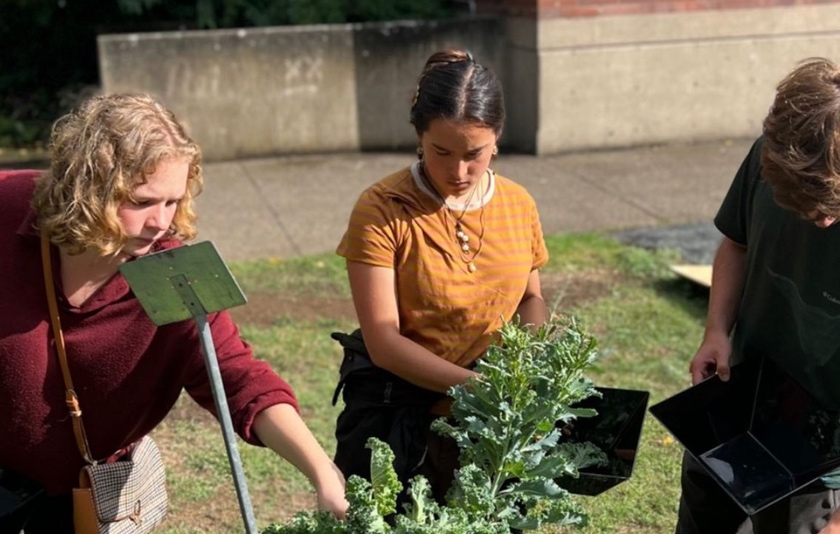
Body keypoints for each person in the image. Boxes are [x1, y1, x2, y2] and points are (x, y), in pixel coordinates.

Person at [0, 93, 348, 533]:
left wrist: (321, 472)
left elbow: (238, 378)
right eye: (142, 202)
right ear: (87, 187)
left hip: (94, 503)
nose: (161, 222)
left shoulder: (172, 273)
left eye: (172, 201)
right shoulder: (9, 209)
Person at [332, 49, 549, 503]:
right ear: (419, 138)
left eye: (475, 154)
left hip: (491, 426)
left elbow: (531, 299)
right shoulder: (382, 209)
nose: (458, 171)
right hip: (399, 420)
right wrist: (481, 389)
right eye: (441, 152)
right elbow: (384, 342)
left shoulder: (518, 203)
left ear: (498, 138)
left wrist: (523, 370)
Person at [677, 57, 840, 534]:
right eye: (807, 206)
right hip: (739, 401)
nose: (825, 222)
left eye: (833, 204)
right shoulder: (770, 156)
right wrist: (716, 330)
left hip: (822, 459)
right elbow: (737, 243)